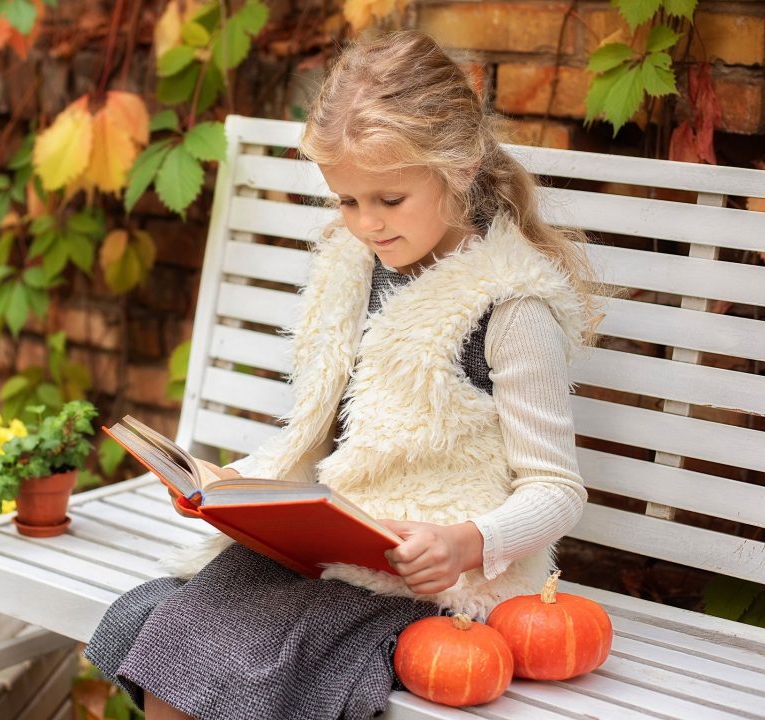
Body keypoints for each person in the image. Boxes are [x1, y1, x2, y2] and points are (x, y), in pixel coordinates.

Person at [85, 29, 603, 720]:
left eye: (388, 200)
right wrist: (229, 489)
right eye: (347, 202)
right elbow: (326, 432)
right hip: (330, 547)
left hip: (430, 580)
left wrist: (466, 542)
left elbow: (557, 489)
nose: (366, 224)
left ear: (461, 165)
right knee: (163, 630)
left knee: (214, 656)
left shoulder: (508, 306)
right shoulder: (352, 268)